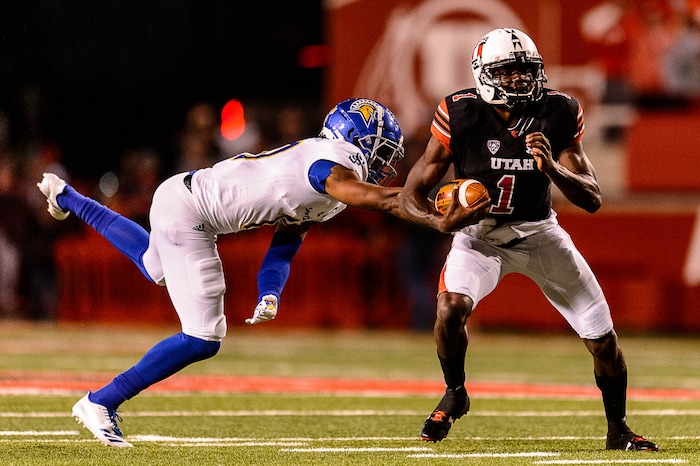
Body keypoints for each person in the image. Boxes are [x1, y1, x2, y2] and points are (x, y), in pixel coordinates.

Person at [37, 97, 406, 447]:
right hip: (191, 213)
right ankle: (101, 401)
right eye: (381, 149)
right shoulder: (327, 167)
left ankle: (66, 196)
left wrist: (270, 291)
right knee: (203, 337)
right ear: (354, 139)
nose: (383, 163)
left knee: (154, 264)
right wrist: (422, 205)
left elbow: (285, 245)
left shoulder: (325, 179)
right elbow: (373, 199)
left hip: (183, 198)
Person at [398, 28, 659, 451]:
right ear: (484, 74)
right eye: (509, 71)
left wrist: (554, 170)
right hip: (479, 236)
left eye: (526, 70)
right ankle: (455, 391)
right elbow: (411, 194)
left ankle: (619, 430)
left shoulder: (558, 110)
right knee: (449, 307)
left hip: (539, 233)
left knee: (603, 340)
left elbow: (592, 197)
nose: (520, 79)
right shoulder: (460, 112)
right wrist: (441, 223)